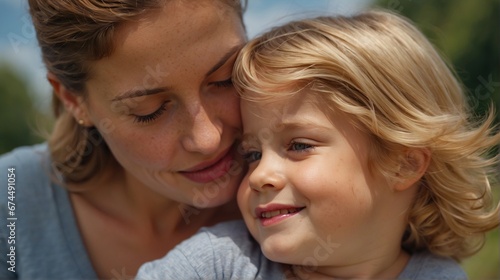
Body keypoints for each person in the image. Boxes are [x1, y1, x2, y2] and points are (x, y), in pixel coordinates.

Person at [136, 9, 500, 279]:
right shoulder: (220, 262)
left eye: (298, 146)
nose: (261, 174)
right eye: (251, 154)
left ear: (402, 163)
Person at [0, 0, 248, 279]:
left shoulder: (302, 191)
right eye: (150, 111)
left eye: (226, 78)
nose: (207, 139)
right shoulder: (10, 200)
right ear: (73, 101)